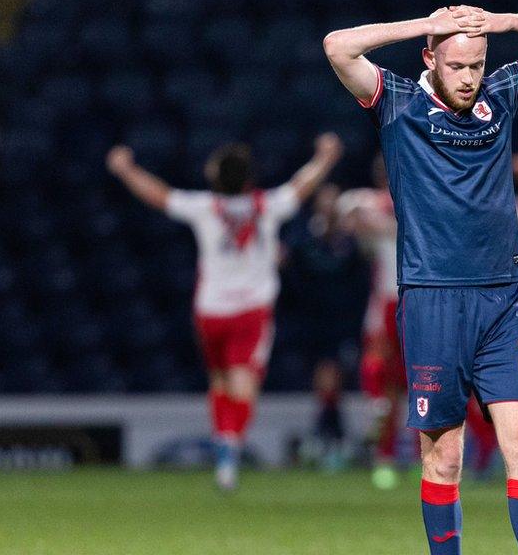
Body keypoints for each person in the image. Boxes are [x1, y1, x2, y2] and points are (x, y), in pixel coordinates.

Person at [324, 5, 518, 555]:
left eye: (477, 64)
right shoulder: (398, 103)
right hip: (432, 301)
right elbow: (337, 46)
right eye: (457, 65)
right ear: (431, 58)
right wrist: (422, 25)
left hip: (501, 301)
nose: (470, 77)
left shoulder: (502, 94)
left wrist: (501, 22)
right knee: (444, 458)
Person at [106, 133, 343, 491]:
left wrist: (126, 169)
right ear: (249, 179)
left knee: (219, 380)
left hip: (210, 309)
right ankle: (229, 452)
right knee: (244, 386)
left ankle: (224, 444)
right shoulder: (267, 205)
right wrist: (326, 157)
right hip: (251, 310)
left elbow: (157, 195)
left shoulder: (204, 207)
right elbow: (303, 185)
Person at [465, 152, 518, 479]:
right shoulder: (514, 208)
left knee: (492, 390)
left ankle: (494, 453)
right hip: (508, 308)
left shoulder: (517, 211)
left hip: (509, 309)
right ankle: (492, 451)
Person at [337, 154, 407, 489]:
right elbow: (345, 214)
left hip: (420, 300)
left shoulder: (426, 200)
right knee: (384, 383)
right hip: (388, 301)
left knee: (425, 383)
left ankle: (432, 457)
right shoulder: (367, 201)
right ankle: (385, 455)